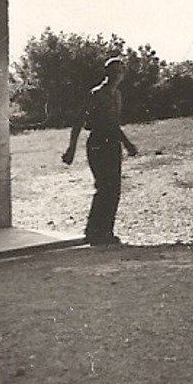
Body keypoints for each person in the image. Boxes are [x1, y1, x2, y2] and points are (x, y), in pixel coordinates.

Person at [62, 56, 139, 245]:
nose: (117, 76)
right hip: (98, 143)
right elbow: (79, 120)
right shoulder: (96, 94)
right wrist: (71, 148)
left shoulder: (117, 95)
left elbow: (114, 124)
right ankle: (94, 231)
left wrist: (126, 143)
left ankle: (106, 231)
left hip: (112, 143)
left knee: (114, 189)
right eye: (114, 72)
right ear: (107, 73)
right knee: (104, 187)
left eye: (121, 72)